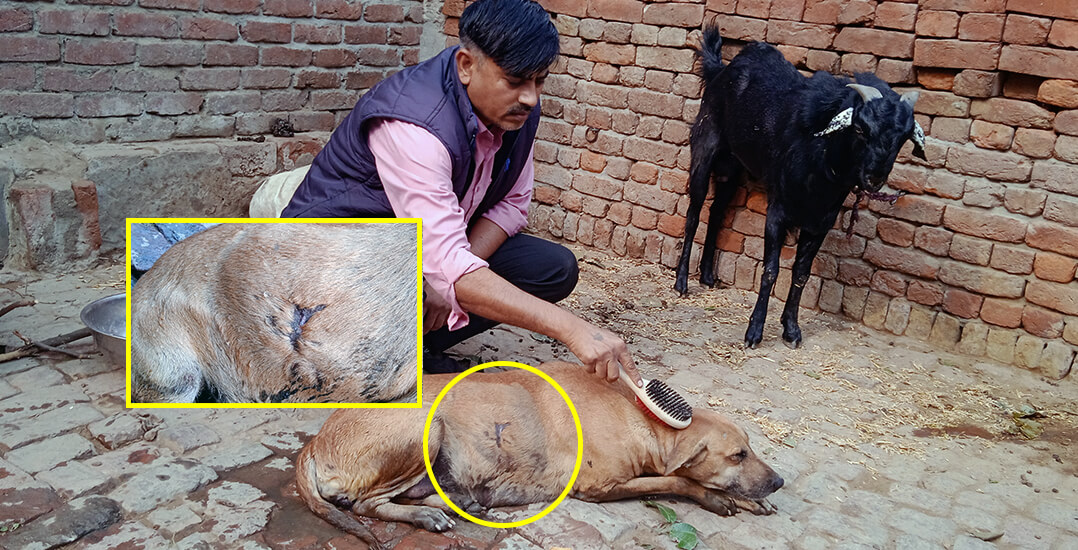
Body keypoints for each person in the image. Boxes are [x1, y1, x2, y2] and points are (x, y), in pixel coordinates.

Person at [281, 0, 642, 387]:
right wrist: (572, 329)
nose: (531, 98)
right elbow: (445, 260)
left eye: (540, 81)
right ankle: (360, 356)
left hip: (409, 252)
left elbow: (513, 204)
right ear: (467, 66)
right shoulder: (416, 124)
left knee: (552, 268)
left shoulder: (517, 114)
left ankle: (411, 346)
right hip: (331, 263)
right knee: (443, 276)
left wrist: (446, 277)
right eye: (516, 80)